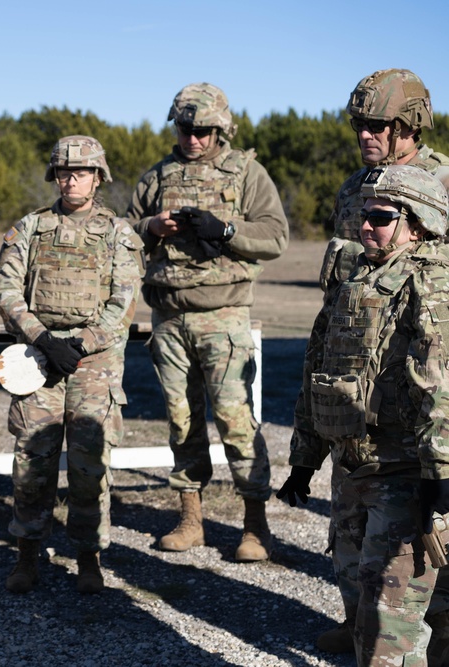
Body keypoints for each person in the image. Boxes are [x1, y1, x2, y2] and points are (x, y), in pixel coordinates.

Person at [278, 164, 449, 666]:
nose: (365, 225)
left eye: (381, 217)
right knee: (359, 596)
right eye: (363, 215)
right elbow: (319, 371)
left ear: (416, 223)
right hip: (353, 469)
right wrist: (304, 459)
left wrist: (439, 474)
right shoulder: (356, 281)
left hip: (405, 474)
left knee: (386, 633)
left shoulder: (432, 286)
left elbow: (439, 385)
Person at [313, 68, 449, 655]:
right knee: (354, 531)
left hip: (425, 378)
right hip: (360, 377)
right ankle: (363, 622)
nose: (365, 134)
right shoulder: (355, 188)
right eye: (360, 124)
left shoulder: (441, 181)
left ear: (409, 126)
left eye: (379, 125)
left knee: (422, 542)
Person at [126, 82, 288, 562]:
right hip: (169, 316)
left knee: (236, 423)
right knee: (181, 422)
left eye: (202, 130)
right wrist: (151, 228)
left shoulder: (246, 173)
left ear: (221, 129)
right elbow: (122, 232)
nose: (192, 139)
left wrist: (227, 230)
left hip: (224, 316)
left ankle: (255, 527)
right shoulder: (158, 175)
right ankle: (190, 519)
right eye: (184, 129)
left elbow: (276, 236)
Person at [0, 135, 143, 594]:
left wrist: (81, 343)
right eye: (63, 171)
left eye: (81, 171)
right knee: (31, 464)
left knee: (89, 466)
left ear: (98, 177)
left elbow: (124, 301)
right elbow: (6, 290)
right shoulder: (31, 228)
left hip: (92, 364)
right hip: (38, 358)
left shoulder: (118, 233)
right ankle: (26, 557)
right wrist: (42, 337)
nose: (71, 178)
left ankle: (88, 559)